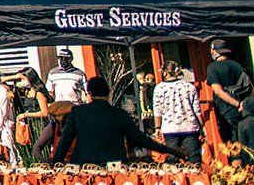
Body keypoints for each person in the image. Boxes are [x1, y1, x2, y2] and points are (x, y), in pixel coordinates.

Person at [51, 76, 188, 166]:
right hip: (114, 167)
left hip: (84, 167)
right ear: (109, 92)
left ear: (90, 94)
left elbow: (65, 141)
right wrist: (172, 150)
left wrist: (55, 163)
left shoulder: (77, 113)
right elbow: (141, 139)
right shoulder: (119, 114)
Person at [152, 60, 203, 165]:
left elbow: (158, 110)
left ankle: (178, 181)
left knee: (172, 160)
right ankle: (197, 179)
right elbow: (197, 109)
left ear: (165, 72)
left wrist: (157, 127)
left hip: (170, 128)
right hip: (190, 127)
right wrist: (202, 126)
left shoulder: (159, 88)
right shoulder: (189, 86)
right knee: (194, 159)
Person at [206, 40, 253, 141]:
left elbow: (218, 91)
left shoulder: (212, 67)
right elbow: (250, 86)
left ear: (213, 51)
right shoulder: (237, 65)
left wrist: (237, 104)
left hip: (226, 113)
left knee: (233, 146)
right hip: (244, 112)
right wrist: (245, 105)